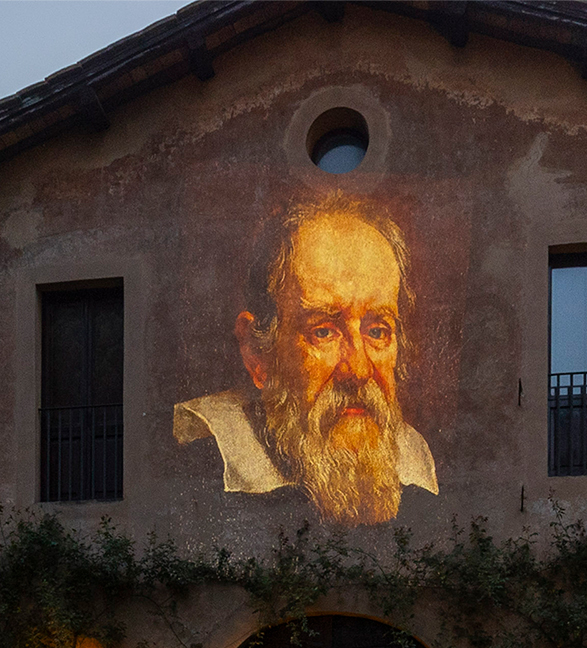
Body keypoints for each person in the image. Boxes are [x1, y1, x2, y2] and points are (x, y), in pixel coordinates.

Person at [174, 195, 437, 526]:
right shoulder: (204, 451)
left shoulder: (412, 457)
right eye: (324, 332)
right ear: (257, 353)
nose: (357, 369)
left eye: (378, 330)